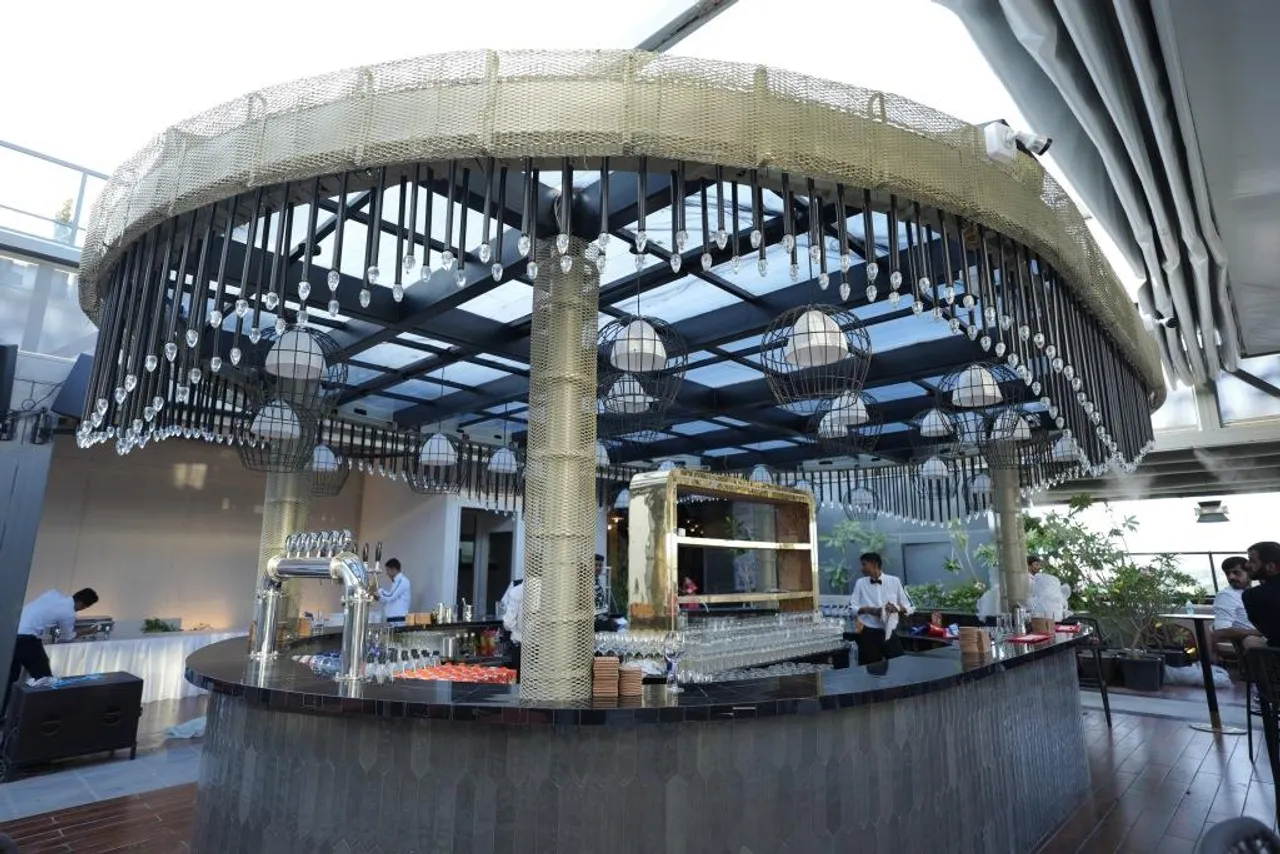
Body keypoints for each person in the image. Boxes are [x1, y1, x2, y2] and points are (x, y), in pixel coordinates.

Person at [9, 588, 99, 690]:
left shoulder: (52, 593)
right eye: (85, 607)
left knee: (8, 677)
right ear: (82, 604)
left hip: (9, 633)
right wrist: (87, 631)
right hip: (26, 638)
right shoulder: (69, 613)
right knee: (44, 678)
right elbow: (67, 636)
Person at [849, 553, 913, 666]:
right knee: (869, 671)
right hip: (869, 634)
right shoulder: (860, 583)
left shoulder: (894, 581)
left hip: (889, 632)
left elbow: (909, 607)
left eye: (864, 564)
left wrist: (896, 608)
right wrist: (869, 610)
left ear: (874, 564)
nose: (861, 568)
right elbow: (851, 608)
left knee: (900, 666)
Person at [1212, 556, 1261, 644]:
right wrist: (1260, 632)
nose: (1231, 577)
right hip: (1257, 643)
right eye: (1227, 573)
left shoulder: (1254, 592)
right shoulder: (1227, 595)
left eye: (1236, 572)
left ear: (1249, 573)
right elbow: (1221, 630)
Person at [1244, 541, 1280, 648]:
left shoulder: (1252, 595)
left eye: (1252, 561)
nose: (1246, 565)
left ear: (1270, 566)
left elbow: (1264, 629)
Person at [500, 578, 524, 678]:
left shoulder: (517, 589)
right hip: (544, 649)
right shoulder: (551, 590)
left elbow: (508, 622)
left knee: (518, 682)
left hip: (520, 647)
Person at [377, 558, 410, 624]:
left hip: (398, 620)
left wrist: (379, 589)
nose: (387, 573)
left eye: (387, 570)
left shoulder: (402, 581)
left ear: (393, 569)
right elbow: (389, 601)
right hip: (392, 619)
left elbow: (391, 596)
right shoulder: (395, 582)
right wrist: (377, 598)